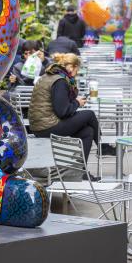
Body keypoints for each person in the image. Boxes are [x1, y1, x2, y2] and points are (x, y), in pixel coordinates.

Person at [28, 53, 106, 181]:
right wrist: (77, 103)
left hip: (40, 125)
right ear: (72, 67)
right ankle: (103, 147)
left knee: (88, 132)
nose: (77, 72)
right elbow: (62, 112)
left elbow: (59, 106)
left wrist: (73, 102)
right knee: (89, 114)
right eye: (77, 69)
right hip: (47, 126)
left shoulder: (50, 75)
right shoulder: (60, 81)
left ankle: (82, 173)